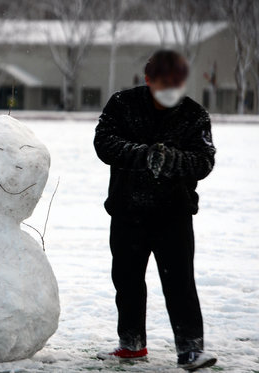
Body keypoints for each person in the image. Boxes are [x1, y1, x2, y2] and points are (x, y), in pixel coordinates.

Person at [93, 50, 217, 371]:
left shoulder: (195, 116)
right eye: (164, 82)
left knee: (179, 284)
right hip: (127, 212)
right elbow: (104, 143)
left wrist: (172, 160)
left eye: (177, 82)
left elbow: (203, 161)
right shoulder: (122, 105)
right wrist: (142, 155)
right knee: (127, 280)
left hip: (174, 215)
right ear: (148, 80)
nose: (171, 88)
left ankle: (190, 349)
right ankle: (131, 343)